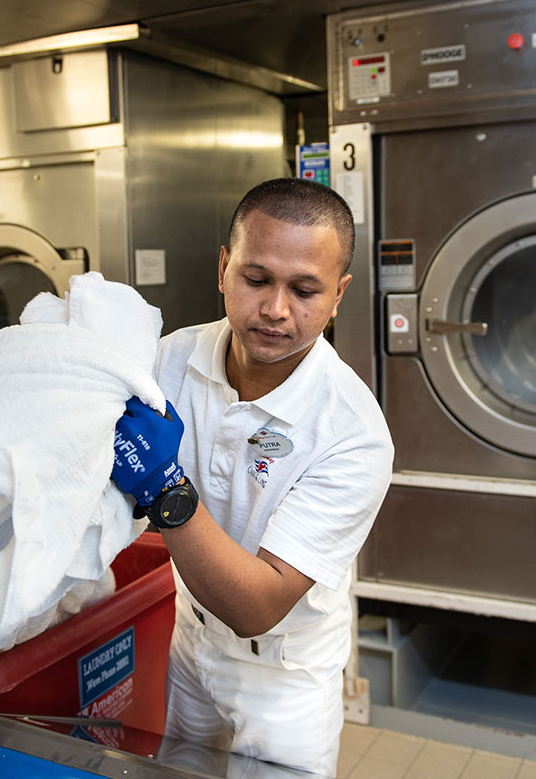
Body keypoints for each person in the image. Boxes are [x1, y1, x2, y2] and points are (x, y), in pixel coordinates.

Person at [110, 177, 395, 775]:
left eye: (305, 289)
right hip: (190, 640)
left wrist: (166, 489)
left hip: (284, 671)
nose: (275, 309)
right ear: (223, 268)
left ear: (339, 294)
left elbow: (257, 605)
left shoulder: (351, 432)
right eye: (257, 278)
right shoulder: (169, 363)